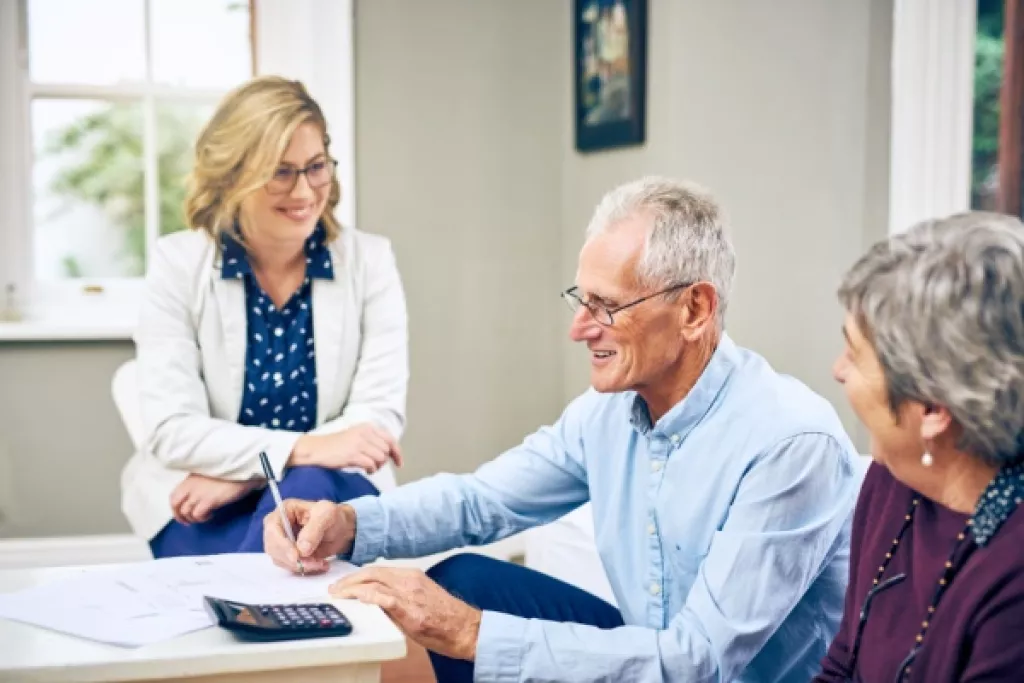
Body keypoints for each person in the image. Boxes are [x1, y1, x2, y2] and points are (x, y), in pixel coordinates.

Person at [266, 177, 863, 683]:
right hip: (651, 655)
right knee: (463, 579)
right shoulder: (608, 411)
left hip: (708, 674)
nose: (580, 329)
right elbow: (484, 500)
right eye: (581, 298)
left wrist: (473, 635)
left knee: (467, 619)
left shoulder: (789, 443)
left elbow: (698, 661)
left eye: (606, 306)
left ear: (694, 310)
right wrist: (349, 523)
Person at [121, 76, 408, 558]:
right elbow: (173, 429)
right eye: (280, 171)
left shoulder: (371, 262)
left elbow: (375, 421)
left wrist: (244, 476)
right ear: (233, 176)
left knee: (310, 490)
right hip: (200, 500)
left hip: (324, 489)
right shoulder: (177, 264)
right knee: (295, 527)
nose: (304, 191)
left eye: (316, 167)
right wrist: (297, 453)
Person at [815, 211, 1024, 682]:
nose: (837, 369)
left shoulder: (1013, 576)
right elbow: (842, 662)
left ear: (932, 409)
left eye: (855, 353)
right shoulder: (893, 478)